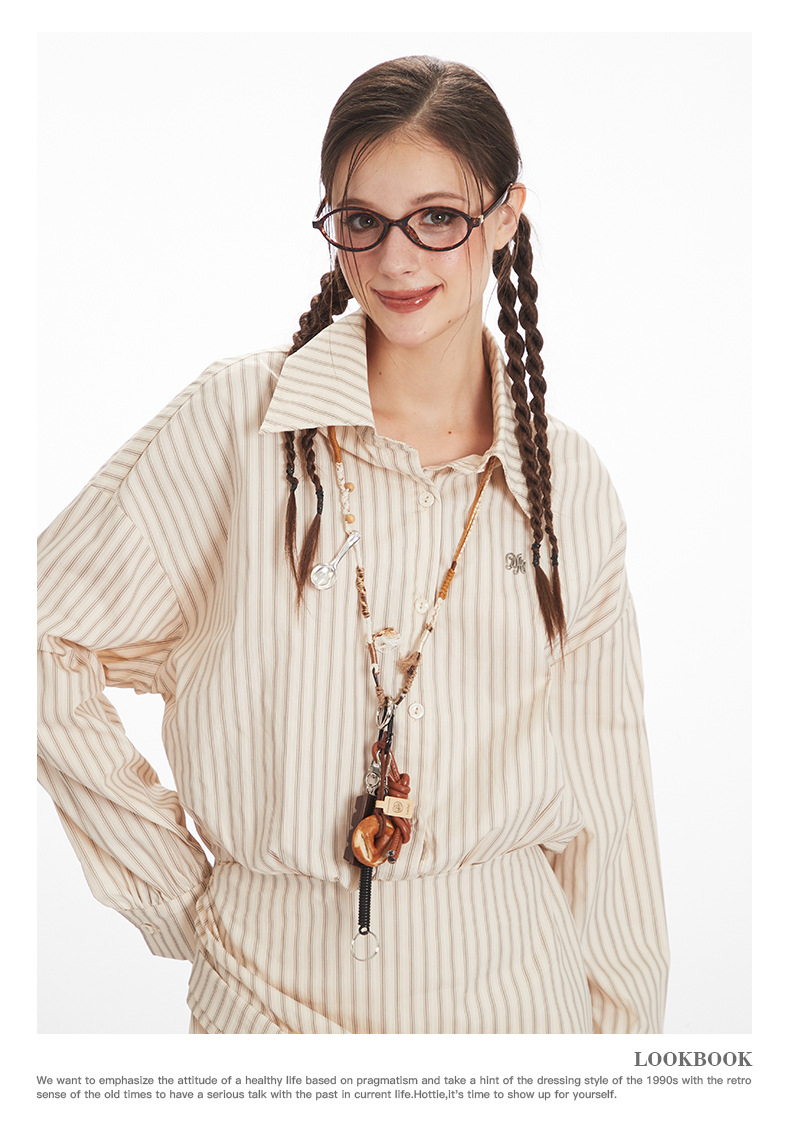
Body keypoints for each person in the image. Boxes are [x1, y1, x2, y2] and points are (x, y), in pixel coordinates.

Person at [37, 55, 669, 1034]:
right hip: (265, 1003)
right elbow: (39, 636)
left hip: (518, 1010)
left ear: (505, 216)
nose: (396, 260)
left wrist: (622, 1058)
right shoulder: (237, 423)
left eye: (438, 218)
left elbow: (607, 798)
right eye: (362, 221)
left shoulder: (566, 485)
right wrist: (174, 892)